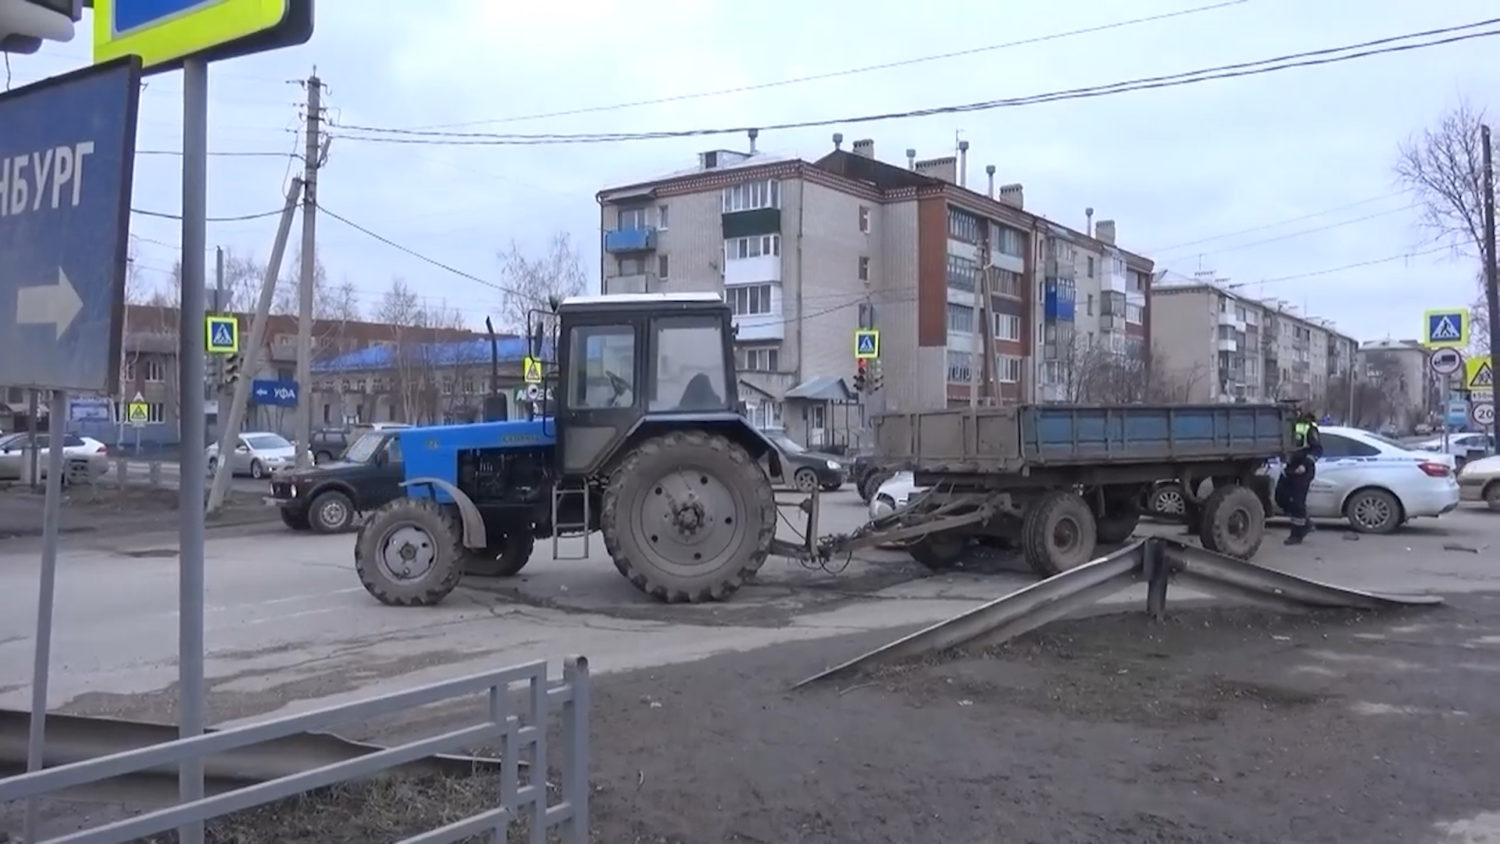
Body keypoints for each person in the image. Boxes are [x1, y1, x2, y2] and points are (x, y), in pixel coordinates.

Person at [1274, 409, 1323, 545]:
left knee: (1297, 503)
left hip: (1302, 470)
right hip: (1289, 468)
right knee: (1281, 498)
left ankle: (1297, 534)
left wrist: (1305, 464)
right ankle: (1305, 523)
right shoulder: (1286, 425)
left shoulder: (1309, 427)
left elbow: (1317, 449)